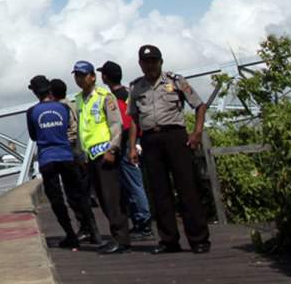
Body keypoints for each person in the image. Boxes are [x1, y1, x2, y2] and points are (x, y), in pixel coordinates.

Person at [127, 44, 211, 254]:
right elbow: (134, 119)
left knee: (187, 188)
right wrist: (132, 147)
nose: (150, 65)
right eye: (146, 62)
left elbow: (199, 105)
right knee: (159, 192)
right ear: (140, 64)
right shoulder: (136, 88)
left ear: (161, 62)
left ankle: (199, 239)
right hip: (150, 140)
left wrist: (197, 133)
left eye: (153, 61)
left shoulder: (176, 81)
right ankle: (168, 240)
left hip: (175, 136)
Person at [26, 75, 95, 248]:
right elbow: (71, 128)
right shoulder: (63, 108)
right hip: (66, 155)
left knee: (56, 199)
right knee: (79, 195)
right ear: (50, 89)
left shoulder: (32, 112)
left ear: (34, 92)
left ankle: (70, 234)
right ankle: (95, 234)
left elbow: (33, 136)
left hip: (47, 159)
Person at [71, 60, 131, 254]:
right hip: (90, 155)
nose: (79, 79)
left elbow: (116, 124)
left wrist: (113, 149)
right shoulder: (79, 99)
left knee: (111, 197)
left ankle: (121, 239)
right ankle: (116, 237)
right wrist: (81, 153)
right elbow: (81, 127)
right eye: (77, 75)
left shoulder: (105, 96)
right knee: (103, 198)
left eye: (83, 75)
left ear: (92, 77)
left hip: (105, 152)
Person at [98, 60, 153, 239]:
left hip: (128, 142)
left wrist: (124, 145)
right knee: (134, 184)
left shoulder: (115, 97)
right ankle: (141, 222)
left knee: (134, 184)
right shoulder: (130, 92)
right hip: (138, 140)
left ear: (105, 76)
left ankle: (144, 224)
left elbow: (124, 123)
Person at [51, 77, 99, 241]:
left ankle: (87, 229)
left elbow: (71, 130)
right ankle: (91, 229)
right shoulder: (73, 104)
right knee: (82, 192)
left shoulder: (61, 108)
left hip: (72, 153)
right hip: (81, 152)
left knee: (74, 194)